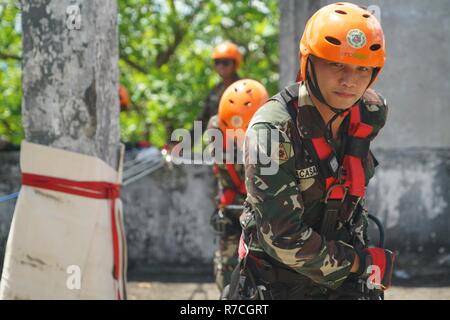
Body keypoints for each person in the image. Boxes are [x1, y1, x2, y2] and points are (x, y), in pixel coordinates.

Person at [230, 2, 395, 300]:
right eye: (336, 64)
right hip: (279, 285)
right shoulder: (271, 129)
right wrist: (360, 262)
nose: (350, 81)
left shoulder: (369, 113)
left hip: (345, 283)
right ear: (309, 63)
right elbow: (281, 236)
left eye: (362, 69)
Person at [207, 79, 268, 294]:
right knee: (227, 270)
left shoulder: (276, 129)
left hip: (265, 203)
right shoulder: (217, 128)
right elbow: (226, 169)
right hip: (233, 200)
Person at [197, 42, 242, 134]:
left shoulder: (244, 89)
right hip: (217, 144)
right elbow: (201, 122)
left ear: (234, 64)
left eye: (225, 62)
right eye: (217, 62)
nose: (221, 66)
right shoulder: (215, 91)